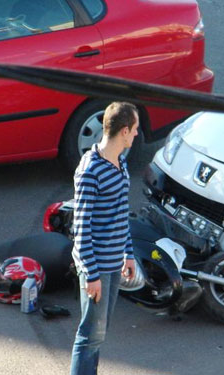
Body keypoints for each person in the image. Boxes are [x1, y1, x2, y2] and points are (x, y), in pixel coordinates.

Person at [70, 102, 138, 375]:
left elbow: (121, 213)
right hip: (96, 267)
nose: (135, 135)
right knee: (89, 336)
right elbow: (81, 229)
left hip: (112, 263)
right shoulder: (90, 171)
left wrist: (128, 253)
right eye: (134, 130)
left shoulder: (120, 161)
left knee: (99, 334)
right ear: (124, 131)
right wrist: (92, 275)